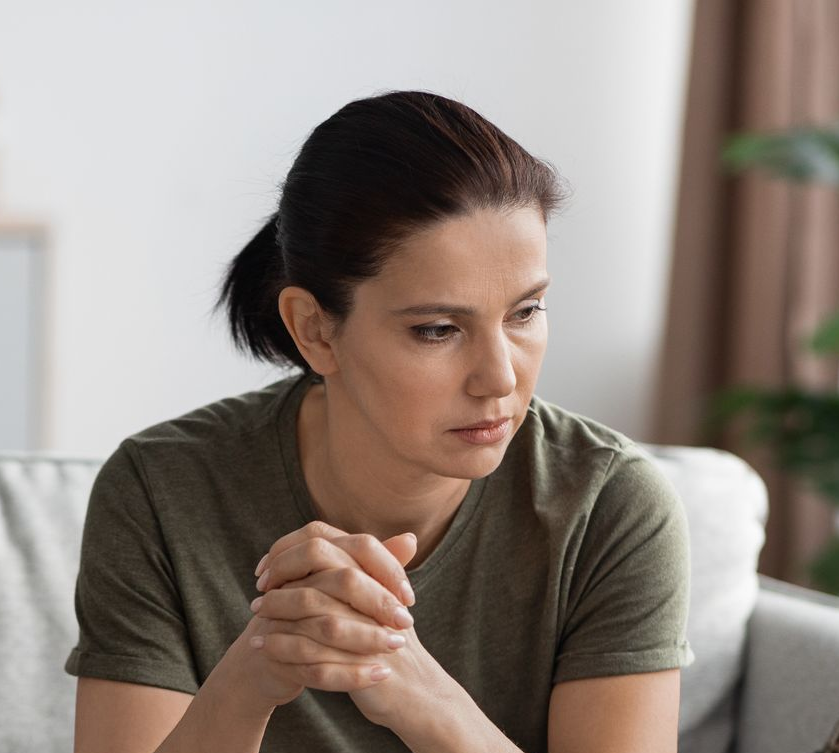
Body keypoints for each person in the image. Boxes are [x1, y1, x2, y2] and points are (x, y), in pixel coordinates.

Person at [67, 89, 694, 753]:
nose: (501, 377)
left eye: (524, 313)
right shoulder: (161, 490)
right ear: (314, 331)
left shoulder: (609, 507)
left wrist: (423, 697)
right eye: (437, 328)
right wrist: (249, 675)